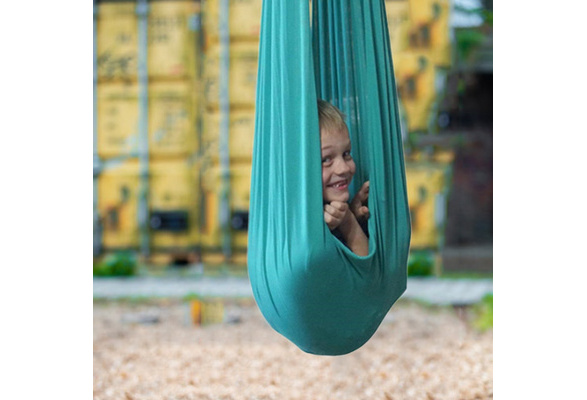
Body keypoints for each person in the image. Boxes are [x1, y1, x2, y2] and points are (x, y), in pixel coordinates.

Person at [318, 99, 370, 256]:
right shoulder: (300, 225)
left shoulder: (333, 208)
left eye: (346, 154)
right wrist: (348, 223)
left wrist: (350, 214)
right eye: (326, 159)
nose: (344, 168)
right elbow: (367, 272)